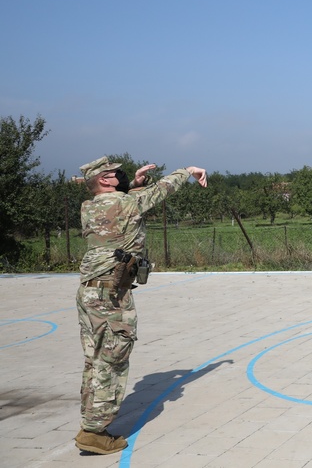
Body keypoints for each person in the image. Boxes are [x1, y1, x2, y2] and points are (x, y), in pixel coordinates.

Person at [74, 156, 208, 455]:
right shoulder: (124, 204)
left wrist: (132, 184)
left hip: (92, 292)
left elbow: (126, 201)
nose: (121, 176)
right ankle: (94, 432)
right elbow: (159, 191)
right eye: (115, 174)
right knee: (112, 359)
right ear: (106, 181)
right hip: (111, 296)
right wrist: (186, 171)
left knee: (95, 360)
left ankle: (90, 423)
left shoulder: (91, 206)